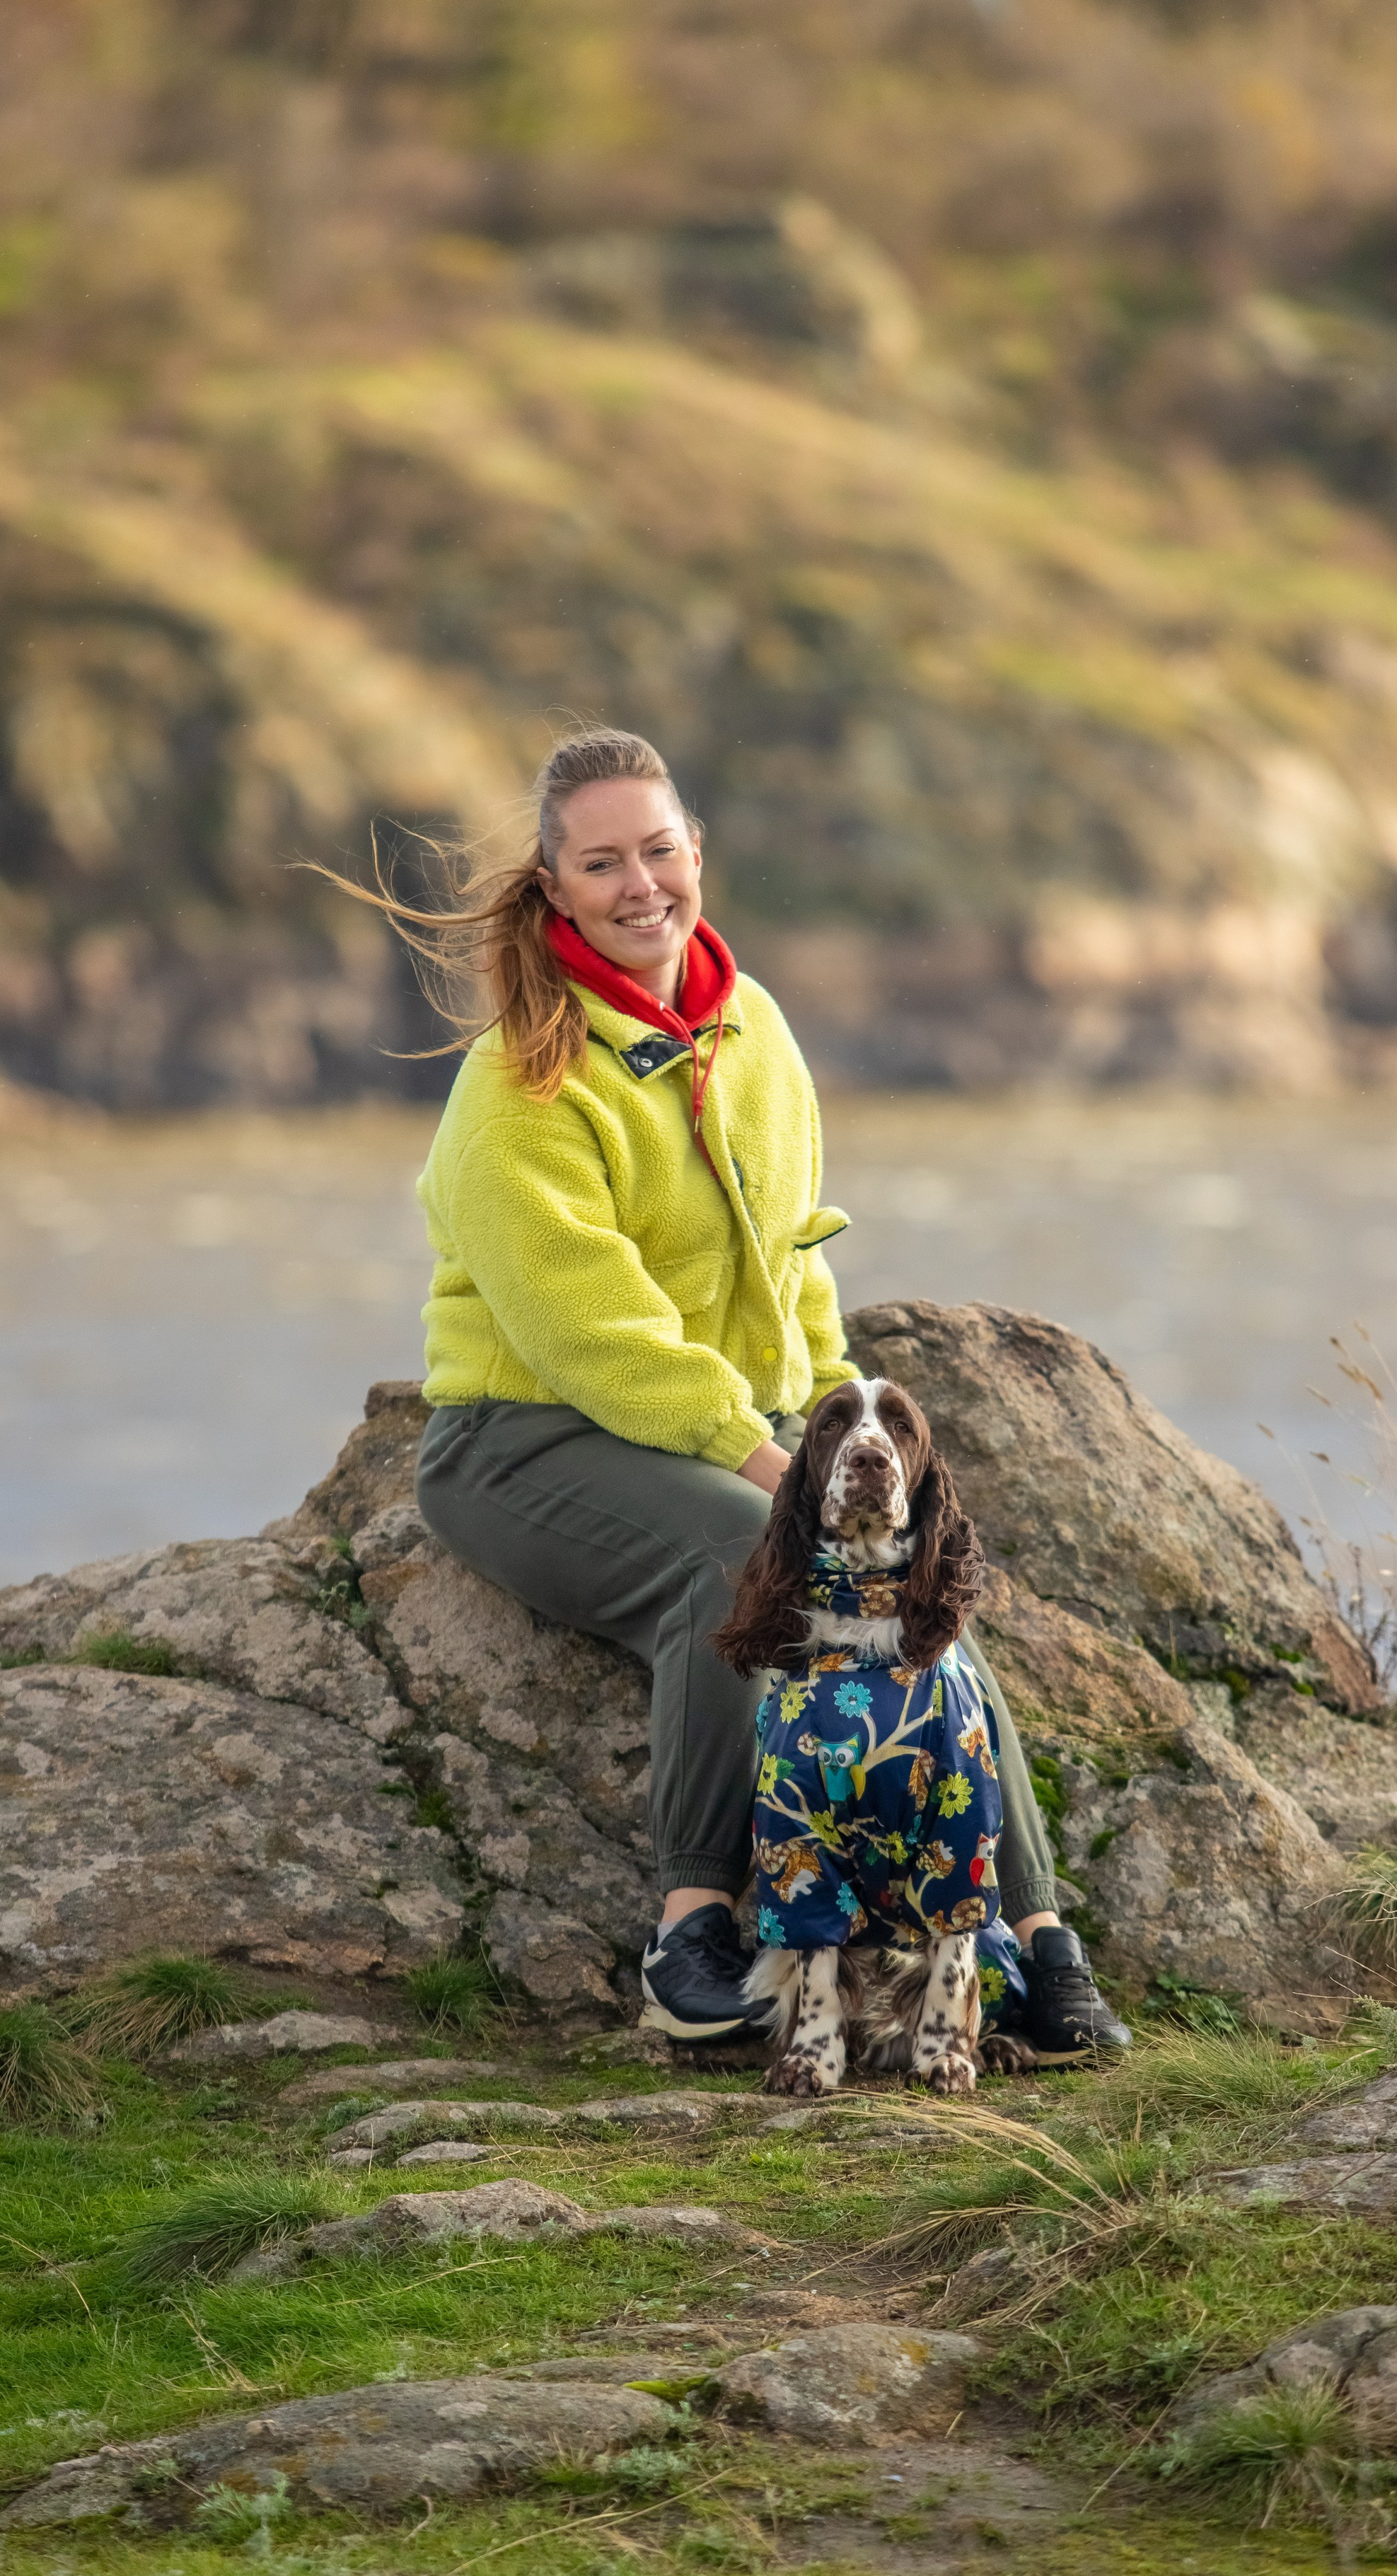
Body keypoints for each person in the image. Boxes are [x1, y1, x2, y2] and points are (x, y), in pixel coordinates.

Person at [349, 727, 1128, 2055]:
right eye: (602, 863)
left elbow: (798, 1262)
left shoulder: (750, 1025)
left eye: (659, 851)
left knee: (913, 1588)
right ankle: (695, 1929)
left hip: (734, 1431)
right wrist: (778, 1477)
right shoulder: (515, 1086)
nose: (639, 883)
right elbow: (598, 1337)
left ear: (695, 853)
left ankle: (1034, 1942)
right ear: (555, 887)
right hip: (523, 1441)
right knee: (737, 1562)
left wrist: (837, 1418)